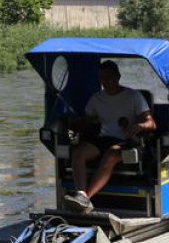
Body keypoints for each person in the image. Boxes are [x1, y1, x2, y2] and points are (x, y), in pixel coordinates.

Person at [65, 60, 155, 212]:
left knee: (111, 153)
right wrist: (73, 123)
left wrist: (139, 126)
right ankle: (81, 193)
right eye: (102, 78)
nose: (105, 81)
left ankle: (85, 198)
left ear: (118, 76)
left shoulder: (134, 96)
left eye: (109, 77)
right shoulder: (96, 99)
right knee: (78, 152)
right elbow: (87, 120)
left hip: (127, 141)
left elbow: (151, 123)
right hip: (104, 139)